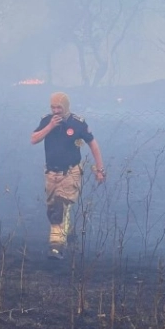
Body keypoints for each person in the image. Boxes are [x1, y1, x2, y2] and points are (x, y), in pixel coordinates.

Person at [31, 91, 105, 259]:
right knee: (52, 208)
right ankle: (69, 235)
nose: (56, 111)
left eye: (59, 107)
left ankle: (56, 247)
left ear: (66, 107)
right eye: (53, 107)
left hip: (70, 172)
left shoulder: (77, 123)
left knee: (60, 205)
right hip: (51, 173)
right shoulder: (45, 121)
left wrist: (99, 169)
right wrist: (49, 127)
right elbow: (33, 139)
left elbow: (93, 144)